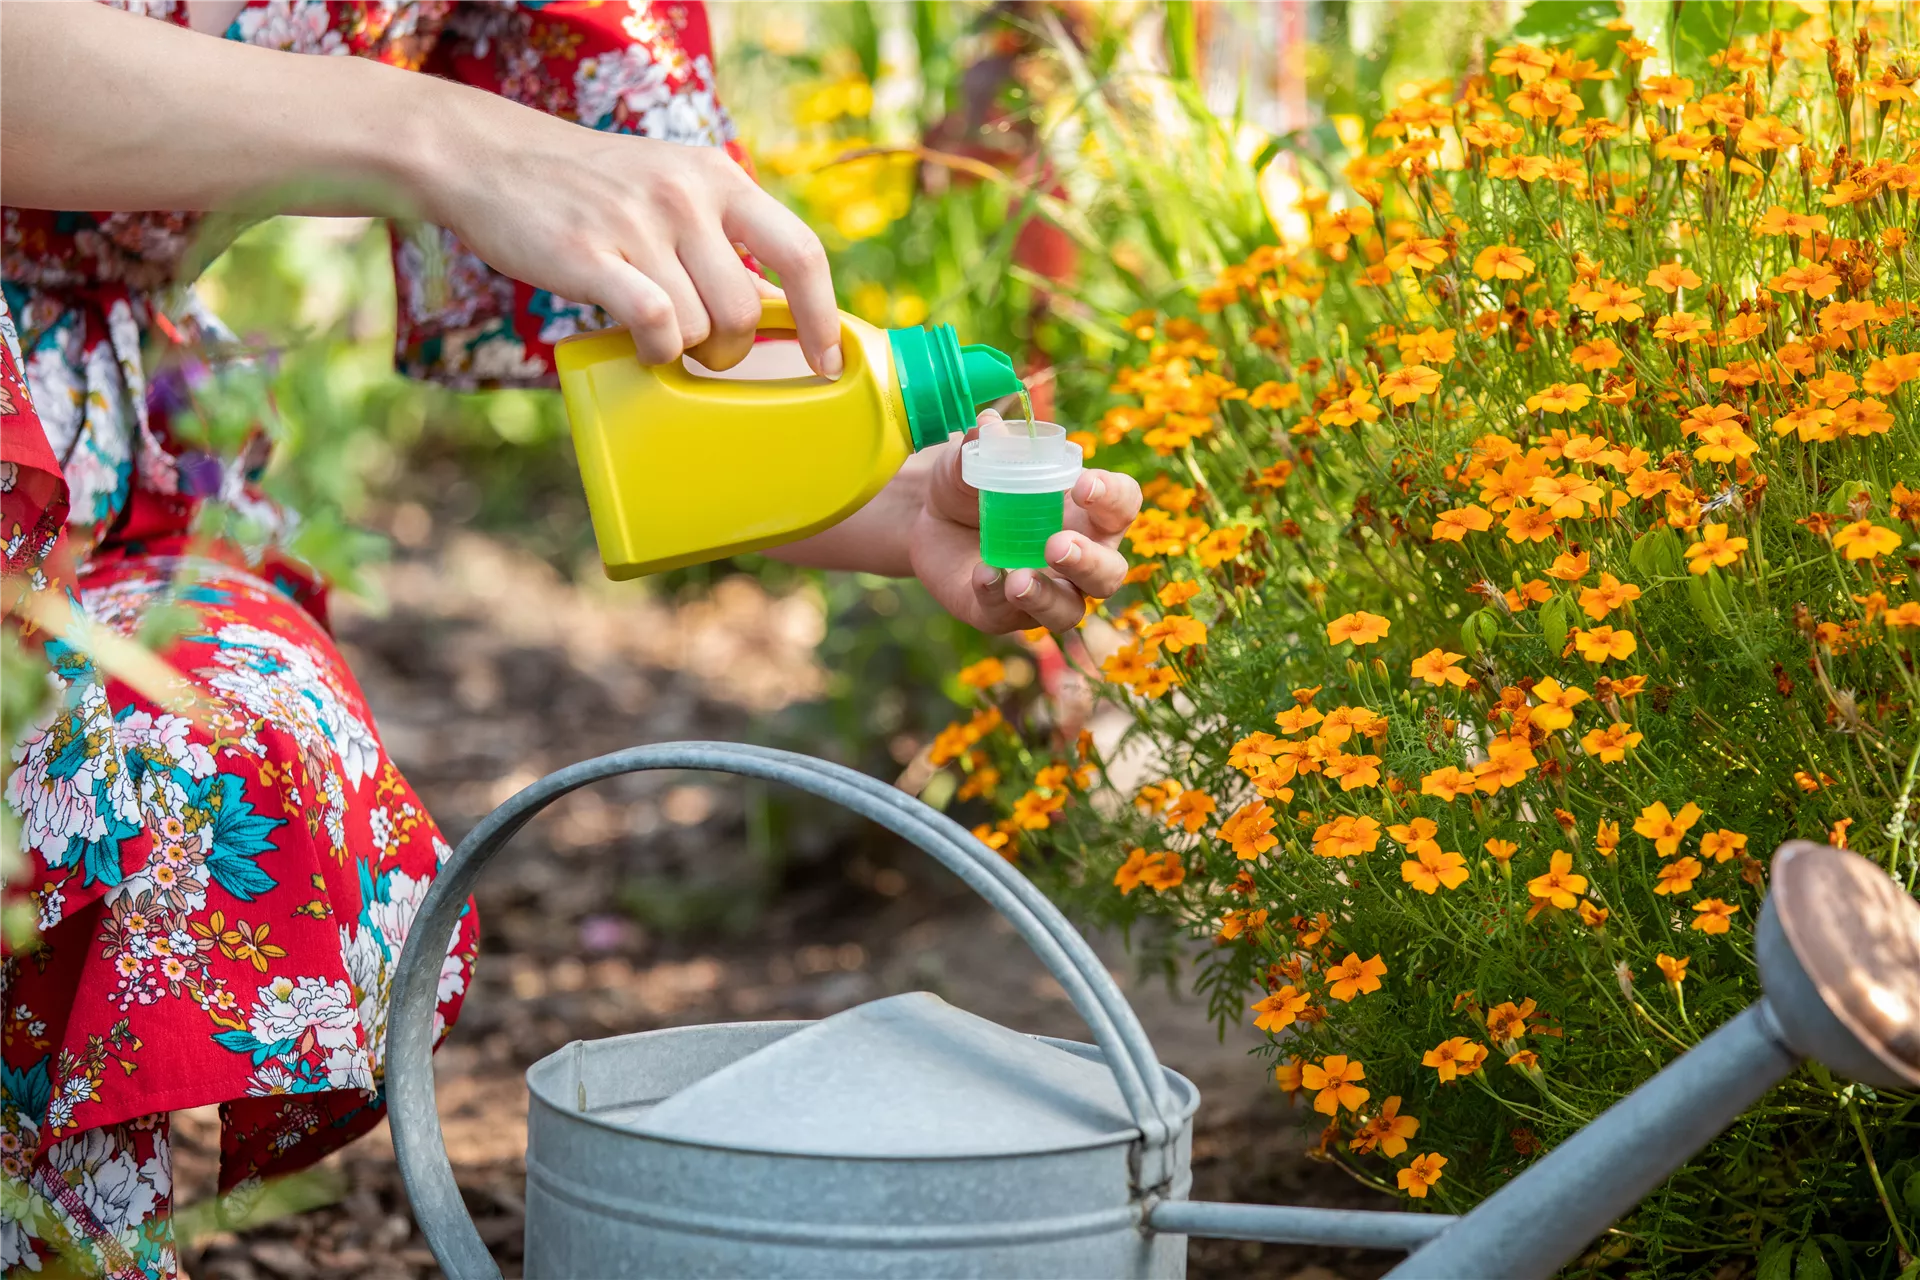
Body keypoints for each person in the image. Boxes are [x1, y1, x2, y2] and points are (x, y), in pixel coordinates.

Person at [0, 2, 1142, 1274]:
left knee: (217, 747)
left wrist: (898, 486)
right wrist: (439, 136)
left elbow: (660, 355)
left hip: (93, 474)